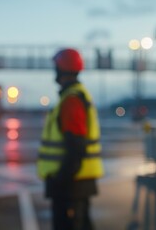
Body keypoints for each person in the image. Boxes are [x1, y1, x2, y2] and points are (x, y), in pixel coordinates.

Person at [37, 48, 104, 230]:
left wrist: (60, 180)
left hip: (70, 187)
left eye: (56, 67)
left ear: (62, 69)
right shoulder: (72, 96)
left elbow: (76, 147)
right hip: (75, 185)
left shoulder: (71, 100)